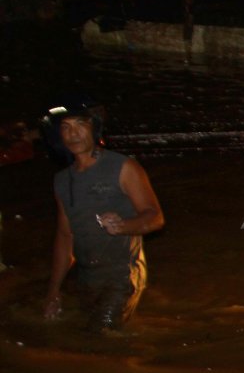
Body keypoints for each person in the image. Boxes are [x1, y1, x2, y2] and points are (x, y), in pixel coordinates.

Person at [41, 97, 164, 335]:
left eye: (80, 125)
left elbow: (156, 218)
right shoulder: (61, 181)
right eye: (65, 127)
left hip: (123, 274)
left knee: (100, 336)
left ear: (93, 128)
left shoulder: (124, 167)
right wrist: (53, 291)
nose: (73, 134)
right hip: (87, 277)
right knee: (88, 332)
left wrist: (124, 226)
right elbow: (65, 237)